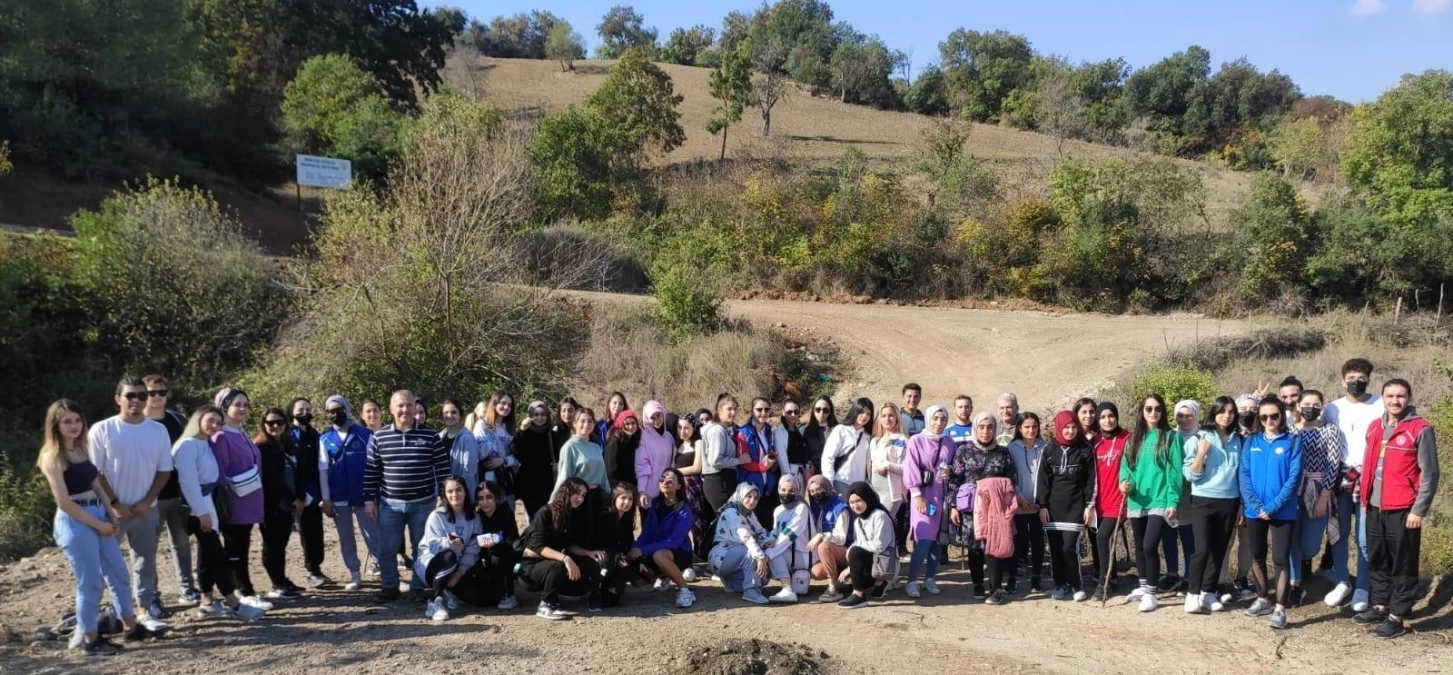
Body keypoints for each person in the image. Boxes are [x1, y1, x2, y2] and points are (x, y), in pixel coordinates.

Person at [41, 399, 166, 656]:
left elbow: (97, 484)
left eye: (77, 420)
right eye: (67, 421)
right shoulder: (52, 456)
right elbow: (63, 502)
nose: (74, 426)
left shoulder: (81, 447)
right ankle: (89, 639)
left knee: (119, 573)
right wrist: (97, 524)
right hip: (75, 520)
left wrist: (111, 516)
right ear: (55, 424)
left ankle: (130, 626)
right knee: (91, 582)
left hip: (99, 511)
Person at [86, 377, 173, 629]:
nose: (136, 401)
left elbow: (164, 470)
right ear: (118, 399)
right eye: (130, 396)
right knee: (104, 562)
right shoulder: (102, 429)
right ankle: (96, 615)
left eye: (141, 396)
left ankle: (143, 610)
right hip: (110, 511)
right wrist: (114, 502)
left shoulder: (158, 430)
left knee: (145, 561)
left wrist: (148, 501)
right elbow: (94, 472)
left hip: (147, 509)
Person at [1356, 379, 1438, 639]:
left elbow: (1430, 475)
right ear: (1382, 397)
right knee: (1379, 558)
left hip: (1404, 509)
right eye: (1390, 395)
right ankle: (1381, 605)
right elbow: (1368, 466)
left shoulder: (1420, 429)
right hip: (1375, 506)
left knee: (1403, 563)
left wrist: (1418, 510)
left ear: (1409, 397)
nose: (1395, 401)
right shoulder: (1374, 427)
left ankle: (1398, 616)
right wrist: (1365, 502)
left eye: (1400, 396)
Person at [171, 405, 267, 622]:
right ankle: (233, 603)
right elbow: (188, 482)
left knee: (207, 554)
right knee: (215, 555)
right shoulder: (187, 445)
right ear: (198, 418)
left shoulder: (204, 443)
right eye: (210, 420)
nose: (214, 426)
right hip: (196, 508)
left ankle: (207, 600)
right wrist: (201, 512)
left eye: (218, 423)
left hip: (208, 504)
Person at [363, 390, 452, 603]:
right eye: (400, 406)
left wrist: (445, 498)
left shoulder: (430, 435)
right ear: (392, 409)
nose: (405, 410)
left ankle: (418, 587)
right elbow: (371, 471)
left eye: (409, 405)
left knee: (422, 547)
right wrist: (368, 500)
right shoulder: (379, 436)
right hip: (389, 505)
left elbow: (442, 470)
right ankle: (389, 587)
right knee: (386, 549)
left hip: (423, 504)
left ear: (415, 407)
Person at [1322, 358, 1383, 610]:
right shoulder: (1332, 408)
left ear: (1368, 380)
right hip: (1339, 477)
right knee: (1338, 531)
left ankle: (1362, 587)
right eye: (1351, 379)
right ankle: (1342, 580)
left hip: (1370, 477)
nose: (1356, 383)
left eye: (1361, 379)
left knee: (1364, 536)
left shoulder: (1380, 404)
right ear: (1342, 380)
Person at [1239, 396, 1301, 629]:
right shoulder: (1251, 441)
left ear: (1281, 416)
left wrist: (1273, 506)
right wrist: (1256, 506)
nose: (1269, 420)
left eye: (1274, 415)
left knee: (1280, 559)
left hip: (1283, 511)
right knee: (1257, 555)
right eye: (1263, 416)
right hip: (1255, 511)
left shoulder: (1293, 441)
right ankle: (1262, 597)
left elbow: (1294, 478)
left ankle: (1280, 608)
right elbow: (1244, 476)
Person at [1119, 393, 1183, 613]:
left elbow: (1174, 472)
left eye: (1157, 409)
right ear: (1142, 411)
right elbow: (1127, 467)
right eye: (1148, 409)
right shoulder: (1133, 438)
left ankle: (1151, 593)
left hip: (1160, 499)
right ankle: (1143, 585)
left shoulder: (1170, 437)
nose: (1153, 413)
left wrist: (1172, 501)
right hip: (1137, 500)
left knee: (1149, 545)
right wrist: (1124, 484)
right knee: (1139, 545)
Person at [947, 411, 1018, 598]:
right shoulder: (964, 450)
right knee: (974, 545)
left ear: (995, 429)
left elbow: (1011, 479)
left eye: (990, 427)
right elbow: (955, 479)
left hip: (995, 508)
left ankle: (996, 588)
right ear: (975, 428)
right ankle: (978, 583)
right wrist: (953, 506)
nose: (985, 431)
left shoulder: (1002, 452)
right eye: (981, 427)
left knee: (994, 545)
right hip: (971, 508)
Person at [210, 387, 269, 611]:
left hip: (250, 501)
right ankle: (242, 591)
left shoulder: (240, 432)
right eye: (237, 404)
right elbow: (220, 473)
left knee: (243, 546)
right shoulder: (221, 436)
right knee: (236, 548)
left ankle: (244, 588)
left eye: (245, 404)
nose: (242, 408)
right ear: (224, 407)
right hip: (235, 502)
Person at [141, 374, 197, 606]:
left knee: (182, 543)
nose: (156, 397)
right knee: (147, 548)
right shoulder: (136, 424)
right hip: (149, 496)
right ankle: (151, 596)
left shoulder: (177, 420)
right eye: (150, 393)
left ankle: (187, 589)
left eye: (161, 392)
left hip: (178, 493)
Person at [1182, 396, 1241, 614]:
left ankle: (1209, 592)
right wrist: (1200, 454)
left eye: (1231, 411)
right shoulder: (1199, 438)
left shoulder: (1238, 439)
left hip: (1230, 500)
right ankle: (1192, 594)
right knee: (1202, 550)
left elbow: (1240, 474)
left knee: (1219, 550)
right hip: (1203, 500)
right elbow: (1189, 475)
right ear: (1213, 413)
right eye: (1222, 411)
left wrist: (1241, 505)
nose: (1226, 415)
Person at [1288, 390, 1344, 607]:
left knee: (1310, 546)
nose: (1310, 407)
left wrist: (1324, 495)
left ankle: (1306, 568)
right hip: (1293, 489)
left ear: (1322, 406)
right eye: (1306, 403)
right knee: (1291, 538)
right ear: (1299, 405)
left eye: (1316, 403)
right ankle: (1294, 585)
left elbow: (1333, 463)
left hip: (1319, 487)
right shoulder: (1290, 430)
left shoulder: (1330, 431)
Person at [518, 477, 602, 620]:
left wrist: (588, 553)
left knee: (587, 568)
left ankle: (590, 599)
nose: (580, 498)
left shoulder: (570, 515)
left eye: (583, 495)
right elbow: (537, 546)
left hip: (555, 566)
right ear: (566, 491)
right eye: (577, 493)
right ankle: (546, 605)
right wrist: (565, 558)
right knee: (558, 565)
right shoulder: (545, 513)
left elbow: (569, 545)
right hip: (532, 568)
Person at [319, 395, 376, 591]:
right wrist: (326, 498)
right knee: (346, 537)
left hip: (363, 495)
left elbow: (373, 466)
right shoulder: (324, 438)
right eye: (331, 411)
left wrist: (372, 495)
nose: (335, 414)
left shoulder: (365, 434)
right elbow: (323, 471)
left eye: (339, 409)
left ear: (347, 409)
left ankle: (386, 571)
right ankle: (354, 573)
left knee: (373, 535)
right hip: (338, 496)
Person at [1038, 411, 1096, 602]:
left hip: (1076, 507)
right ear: (1059, 428)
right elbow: (1043, 481)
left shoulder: (1085, 450)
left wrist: (1089, 505)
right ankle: (1059, 584)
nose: (1070, 431)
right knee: (1055, 549)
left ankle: (1076, 585)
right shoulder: (1049, 450)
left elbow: (1091, 480)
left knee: (1069, 547)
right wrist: (1042, 505)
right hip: (1053, 509)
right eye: (1066, 427)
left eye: (1073, 427)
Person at [902, 405, 956, 599]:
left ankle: (930, 578)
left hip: (942, 495)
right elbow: (910, 466)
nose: (939, 423)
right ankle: (911, 581)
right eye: (935, 419)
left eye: (943, 419)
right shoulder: (916, 440)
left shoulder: (949, 442)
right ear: (928, 419)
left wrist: (950, 469)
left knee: (937, 542)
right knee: (923, 540)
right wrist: (917, 495)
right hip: (923, 497)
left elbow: (953, 465)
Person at [415, 476, 483, 622]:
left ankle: (449, 590)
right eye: (450, 491)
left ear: (465, 492)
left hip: (456, 566)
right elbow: (433, 545)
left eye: (459, 490)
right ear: (444, 494)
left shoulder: (474, 518)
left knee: (476, 597)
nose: (455, 494)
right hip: (431, 565)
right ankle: (434, 602)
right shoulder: (437, 516)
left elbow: (472, 549)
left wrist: (459, 573)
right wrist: (450, 541)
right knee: (449, 555)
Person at [629, 469, 698, 607]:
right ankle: (665, 575)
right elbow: (646, 532)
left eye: (670, 481)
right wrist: (635, 548)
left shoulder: (684, 510)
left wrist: (644, 550)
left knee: (659, 556)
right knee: (637, 580)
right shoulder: (655, 504)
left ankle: (685, 590)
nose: (665, 482)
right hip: (656, 549)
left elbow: (674, 541)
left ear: (679, 486)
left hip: (678, 552)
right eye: (662, 479)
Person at [255, 407, 304, 600]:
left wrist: (298, 496)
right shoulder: (262, 447)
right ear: (263, 425)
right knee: (272, 544)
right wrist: (293, 498)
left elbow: (296, 472)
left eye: (280, 422)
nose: (275, 426)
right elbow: (270, 479)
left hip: (287, 504)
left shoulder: (286, 445)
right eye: (270, 423)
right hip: (271, 504)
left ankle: (282, 579)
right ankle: (276, 583)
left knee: (281, 544)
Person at [709, 483, 786, 605]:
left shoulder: (748, 513)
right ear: (740, 495)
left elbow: (759, 530)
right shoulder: (731, 512)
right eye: (748, 496)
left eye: (756, 498)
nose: (752, 501)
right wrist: (760, 556)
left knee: (763, 578)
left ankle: (731, 583)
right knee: (751, 552)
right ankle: (750, 591)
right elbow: (745, 536)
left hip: (734, 556)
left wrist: (767, 542)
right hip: (721, 556)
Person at [286, 397, 328, 589]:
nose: (305, 413)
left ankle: (316, 568)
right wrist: (296, 494)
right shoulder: (287, 435)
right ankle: (309, 570)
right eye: (300, 409)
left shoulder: (314, 434)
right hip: (296, 493)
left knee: (316, 532)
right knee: (304, 532)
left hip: (314, 491)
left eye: (308, 409)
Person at [835, 482, 898, 609]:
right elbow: (860, 543)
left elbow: (879, 546)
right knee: (840, 587)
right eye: (851, 502)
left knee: (855, 551)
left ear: (867, 498)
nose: (855, 505)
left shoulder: (880, 516)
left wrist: (853, 549)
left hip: (885, 564)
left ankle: (859, 594)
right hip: (870, 563)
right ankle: (879, 583)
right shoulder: (858, 521)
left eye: (858, 500)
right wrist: (850, 568)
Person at [1090, 402, 1129, 599]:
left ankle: (1102, 584)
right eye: (1103, 417)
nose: (1108, 420)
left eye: (1111, 415)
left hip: (1118, 499)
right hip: (1099, 501)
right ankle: (1112, 577)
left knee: (1103, 537)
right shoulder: (1094, 441)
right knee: (1103, 538)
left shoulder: (1127, 438)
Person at [1163, 400, 1201, 596]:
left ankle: (1188, 576)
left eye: (1189, 415)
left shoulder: (1202, 437)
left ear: (1196, 416)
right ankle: (1171, 573)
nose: (1185, 419)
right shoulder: (1170, 437)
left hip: (1192, 495)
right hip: (1170, 493)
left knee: (1189, 538)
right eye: (1180, 415)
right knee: (1169, 535)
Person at [1007, 412, 1048, 594]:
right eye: (1027, 427)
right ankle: (1011, 579)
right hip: (1019, 505)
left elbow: (1048, 477)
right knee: (1017, 543)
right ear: (1019, 428)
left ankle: (1036, 578)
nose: (1031, 430)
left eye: (1034, 426)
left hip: (1039, 506)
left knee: (1038, 543)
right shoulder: (1012, 447)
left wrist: (1041, 501)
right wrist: (1020, 498)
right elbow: (1010, 476)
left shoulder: (1045, 447)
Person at [700, 394, 742, 550]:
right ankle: (711, 556)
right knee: (723, 522)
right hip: (718, 481)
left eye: (735, 409)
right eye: (729, 409)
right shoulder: (717, 430)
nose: (733, 412)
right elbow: (715, 461)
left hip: (723, 480)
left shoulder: (723, 429)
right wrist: (739, 460)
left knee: (722, 522)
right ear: (719, 410)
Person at [472, 481, 520, 610]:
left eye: (489, 497)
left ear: (497, 498)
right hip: (483, 559)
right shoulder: (477, 517)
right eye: (480, 498)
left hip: (503, 556)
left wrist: (496, 544)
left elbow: (513, 540)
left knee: (497, 558)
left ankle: (508, 594)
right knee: (484, 600)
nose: (485, 502)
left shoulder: (505, 513)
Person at [806, 474, 852, 602]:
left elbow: (841, 538)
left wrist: (822, 535)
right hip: (828, 554)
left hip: (845, 551)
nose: (816, 494)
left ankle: (833, 587)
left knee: (823, 545)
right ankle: (843, 580)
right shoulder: (816, 506)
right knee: (815, 572)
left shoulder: (840, 507)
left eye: (819, 490)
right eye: (812, 491)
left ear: (827, 488)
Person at [870, 402, 909, 551]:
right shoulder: (874, 441)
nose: (887, 419)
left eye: (891, 415)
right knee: (875, 525)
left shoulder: (903, 440)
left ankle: (885, 561)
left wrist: (887, 465)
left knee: (883, 523)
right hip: (875, 491)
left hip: (892, 491)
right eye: (884, 415)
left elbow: (907, 468)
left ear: (897, 418)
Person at [737, 397, 782, 523]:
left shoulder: (768, 430)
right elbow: (744, 461)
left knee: (767, 522)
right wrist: (763, 467)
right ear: (751, 411)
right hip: (750, 484)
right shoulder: (743, 432)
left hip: (767, 483)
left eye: (766, 409)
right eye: (759, 409)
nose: (763, 413)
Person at [473, 391, 519, 512]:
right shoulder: (481, 425)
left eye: (509, 405)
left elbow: (516, 458)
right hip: (487, 480)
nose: (506, 407)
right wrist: (491, 437)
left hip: (506, 479)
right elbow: (480, 454)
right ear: (494, 404)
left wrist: (503, 460)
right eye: (503, 403)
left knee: (508, 514)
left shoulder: (508, 428)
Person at [769, 474, 811, 602]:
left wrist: (768, 553)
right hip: (788, 553)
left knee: (773, 555)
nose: (787, 493)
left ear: (797, 491)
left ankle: (788, 589)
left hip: (802, 554)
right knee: (762, 552)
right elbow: (775, 532)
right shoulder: (778, 510)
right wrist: (766, 543)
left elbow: (789, 534)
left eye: (792, 490)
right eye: (783, 490)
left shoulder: (801, 508)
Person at [821, 398, 874, 497]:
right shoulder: (841, 430)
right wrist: (829, 483)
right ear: (855, 411)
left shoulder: (868, 437)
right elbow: (828, 457)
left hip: (859, 486)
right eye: (861, 412)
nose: (864, 416)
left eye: (868, 413)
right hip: (840, 481)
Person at [674, 414, 708, 567]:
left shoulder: (698, 443)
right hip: (677, 487)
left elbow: (696, 467)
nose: (683, 431)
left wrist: (674, 471)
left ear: (693, 428)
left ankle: (700, 554)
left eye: (687, 427)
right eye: (680, 427)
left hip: (692, 486)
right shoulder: (676, 444)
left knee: (696, 521)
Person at [514, 401, 558, 519]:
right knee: (533, 519)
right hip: (528, 484)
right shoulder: (524, 432)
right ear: (530, 416)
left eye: (543, 414)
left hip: (547, 483)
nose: (539, 418)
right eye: (535, 414)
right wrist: (522, 430)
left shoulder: (552, 434)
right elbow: (515, 451)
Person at [555, 407, 608, 499]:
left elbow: (603, 477)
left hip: (597, 496)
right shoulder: (570, 447)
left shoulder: (596, 447)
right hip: (578, 496)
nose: (586, 424)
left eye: (590, 421)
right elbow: (564, 477)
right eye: (582, 421)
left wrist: (609, 495)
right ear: (574, 423)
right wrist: (555, 501)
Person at [636, 401, 676, 508]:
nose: (657, 420)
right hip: (649, 494)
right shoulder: (643, 438)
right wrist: (641, 491)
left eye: (658, 415)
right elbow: (642, 467)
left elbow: (671, 464)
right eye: (652, 417)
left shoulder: (668, 437)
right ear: (647, 419)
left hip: (666, 490)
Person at [439, 399, 483, 498]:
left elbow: (469, 472)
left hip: (459, 494)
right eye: (446, 412)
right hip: (443, 492)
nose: (449, 415)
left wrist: (464, 495)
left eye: (454, 412)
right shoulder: (440, 436)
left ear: (460, 415)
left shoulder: (467, 438)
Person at [604, 409, 643, 490]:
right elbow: (610, 471)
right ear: (620, 425)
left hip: (631, 488)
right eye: (627, 424)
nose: (631, 427)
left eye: (633, 423)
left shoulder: (634, 442)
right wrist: (617, 490)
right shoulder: (614, 443)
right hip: (618, 490)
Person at [775, 398, 810, 484]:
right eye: (789, 412)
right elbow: (781, 457)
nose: (793, 415)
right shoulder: (779, 432)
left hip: (801, 472)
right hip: (789, 473)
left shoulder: (798, 430)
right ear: (783, 412)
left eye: (796, 411)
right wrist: (788, 477)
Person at [803, 397, 838, 476]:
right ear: (813, 410)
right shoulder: (807, 430)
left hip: (834, 471)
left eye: (825, 410)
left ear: (830, 412)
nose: (821, 413)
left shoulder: (837, 430)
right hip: (814, 472)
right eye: (818, 409)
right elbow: (805, 454)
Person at [551, 398, 579, 466]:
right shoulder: (556, 430)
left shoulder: (582, 430)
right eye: (563, 411)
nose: (567, 414)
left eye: (570, 411)